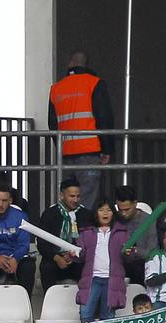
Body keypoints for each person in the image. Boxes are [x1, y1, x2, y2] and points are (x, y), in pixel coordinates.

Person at [47, 51, 115, 207]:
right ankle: (82, 231)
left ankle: (67, 230)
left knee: (68, 199)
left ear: (70, 63)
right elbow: (104, 118)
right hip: (89, 151)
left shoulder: (56, 88)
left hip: (65, 154)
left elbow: (52, 123)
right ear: (85, 64)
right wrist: (107, 149)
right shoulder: (94, 83)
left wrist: (60, 148)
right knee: (87, 200)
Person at [75, 199, 129, 323]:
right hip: (92, 279)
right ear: (95, 213)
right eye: (101, 210)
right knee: (86, 314)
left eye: (109, 210)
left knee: (108, 317)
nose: (105, 213)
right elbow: (80, 256)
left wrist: (130, 253)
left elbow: (128, 258)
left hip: (112, 280)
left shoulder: (122, 233)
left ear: (113, 213)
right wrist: (74, 254)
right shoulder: (87, 233)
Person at [35, 178, 92, 289]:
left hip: (78, 259)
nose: (75, 200)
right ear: (62, 195)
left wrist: (75, 256)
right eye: (72, 196)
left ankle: (86, 302)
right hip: (55, 258)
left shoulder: (86, 215)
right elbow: (41, 243)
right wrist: (56, 257)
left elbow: (91, 242)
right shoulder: (49, 214)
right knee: (47, 268)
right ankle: (50, 303)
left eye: (78, 196)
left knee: (88, 267)